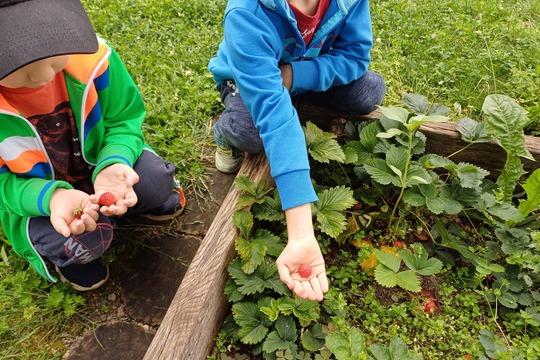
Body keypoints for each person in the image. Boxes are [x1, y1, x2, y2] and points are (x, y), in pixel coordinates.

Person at [0, 0, 186, 292]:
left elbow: (123, 120)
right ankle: (72, 258)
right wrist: (50, 198)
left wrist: (115, 160)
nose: (43, 75)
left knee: (154, 182)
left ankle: (127, 206)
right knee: (76, 238)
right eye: (14, 60)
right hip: (40, 198)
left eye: (51, 51)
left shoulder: (94, 61)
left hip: (97, 166)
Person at [208, 0, 386, 301]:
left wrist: (295, 76)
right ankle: (225, 133)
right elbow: (274, 114)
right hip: (252, 80)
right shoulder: (246, 14)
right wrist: (302, 232)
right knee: (252, 134)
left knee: (370, 90)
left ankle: (298, 96)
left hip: (299, 71)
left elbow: (355, 57)